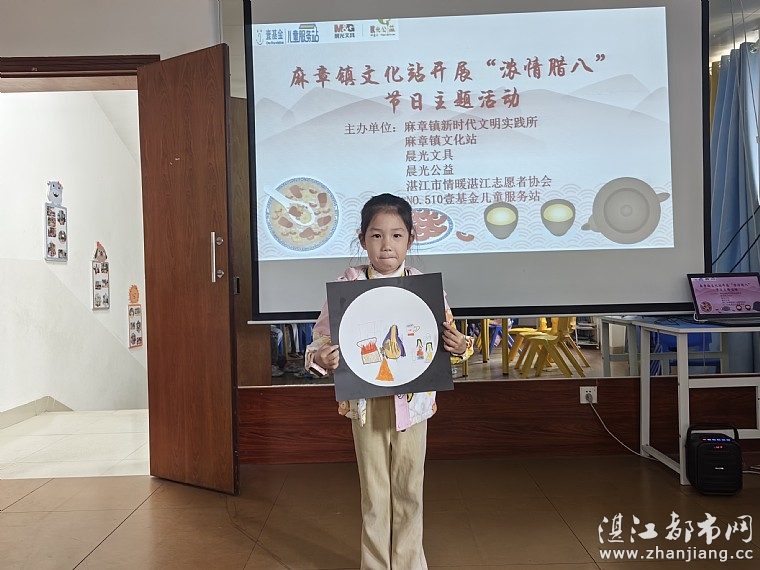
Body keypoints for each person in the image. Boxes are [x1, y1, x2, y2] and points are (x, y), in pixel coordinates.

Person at [304, 193, 473, 570]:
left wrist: (461, 345)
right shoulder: (347, 286)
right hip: (366, 407)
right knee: (375, 493)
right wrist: (321, 358)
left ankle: (410, 563)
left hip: (413, 407)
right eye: (376, 235)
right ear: (362, 239)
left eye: (397, 235)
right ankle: (376, 565)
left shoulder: (425, 289)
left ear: (411, 239)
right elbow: (319, 341)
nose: (386, 245)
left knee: (410, 489)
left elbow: (451, 338)